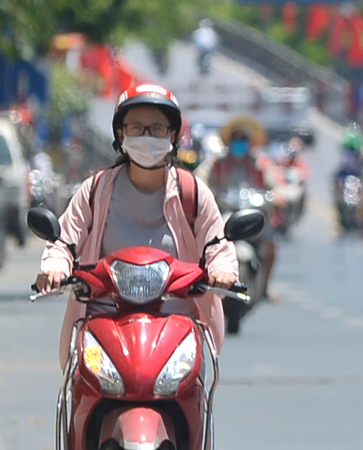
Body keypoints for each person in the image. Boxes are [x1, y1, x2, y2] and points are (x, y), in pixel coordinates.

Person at [33, 85, 240, 363]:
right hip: (103, 323)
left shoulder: (193, 192)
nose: (147, 137)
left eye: (156, 128)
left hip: (178, 328)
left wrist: (222, 270)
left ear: (173, 135)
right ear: (121, 134)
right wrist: (55, 268)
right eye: (136, 128)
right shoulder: (96, 190)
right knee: (83, 389)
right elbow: (64, 241)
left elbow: (217, 246)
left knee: (194, 395)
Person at [202, 115, 280, 299]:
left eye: (243, 139)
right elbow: (200, 179)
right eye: (236, 139)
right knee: (211, 242)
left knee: (270, 245)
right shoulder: (217, 163)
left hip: (253, 215)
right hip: (226, 213)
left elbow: (276, 184)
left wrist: (279, 195)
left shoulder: (259, 164)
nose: (239, 143)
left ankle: (265, 288)